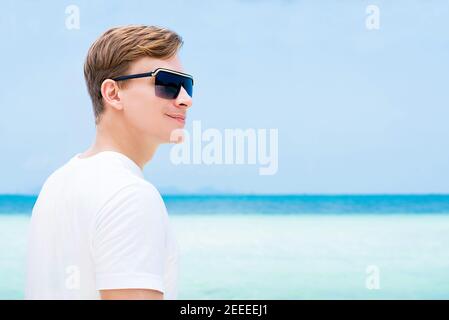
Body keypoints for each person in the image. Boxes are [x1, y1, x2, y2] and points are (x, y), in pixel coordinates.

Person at [25, 25, 193, 299]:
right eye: (169, 84)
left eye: (187, 85)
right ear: (113, 93)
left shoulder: (56, 184)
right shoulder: (131, 195)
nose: (186, 99)